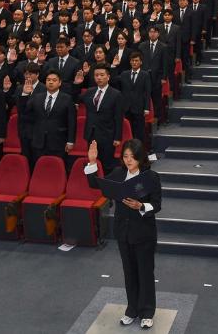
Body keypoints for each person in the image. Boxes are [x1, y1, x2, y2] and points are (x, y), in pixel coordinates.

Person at [84, 139, 161, 329]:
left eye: (133, 157)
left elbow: (157, 205)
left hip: (143, 232)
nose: (129, 161)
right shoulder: (119, 174)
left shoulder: (150, 177)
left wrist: (141, 205)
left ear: (141, 158)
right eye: (125, 157)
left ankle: (147, 311)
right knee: (129, 272)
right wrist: (92, 162)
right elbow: (97, 185)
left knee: (145, 272)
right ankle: (132, 310)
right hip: (123, 232)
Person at [18, 70, 76, 165]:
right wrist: (24, 94)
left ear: (59, 82)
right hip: (38, 141)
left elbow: (71, 121)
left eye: (54, 80)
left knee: (57, 169)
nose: (51, 82)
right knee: (38, 169)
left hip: (58, 141)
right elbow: (23, 111)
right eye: (48, 80)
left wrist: (70, 141)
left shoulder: (67, 99)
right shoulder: (37, 97)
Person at [77, 63, 123, 172]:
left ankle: (106, 187)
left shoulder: (116, 94)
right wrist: (77, 84)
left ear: (108, 77)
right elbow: (75, 99)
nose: (99, 77)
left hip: (107, 135)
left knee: (106, 165)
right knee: (92, 163)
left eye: (102, 75)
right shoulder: (90, 92)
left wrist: (117, 137)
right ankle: (93, 187)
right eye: (96, 75)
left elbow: (118, 117)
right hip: (91, 134)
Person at [119, 52, 151, 143]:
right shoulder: (124, 74)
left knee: (139, 132)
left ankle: (139, 151)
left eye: (136, 61)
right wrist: (113, 66)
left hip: (139, 107)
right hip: (126, 107)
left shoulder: (145, 75)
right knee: (128, 131)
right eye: (132, 61)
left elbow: (147, 92)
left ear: (141, 62)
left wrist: (146, 108)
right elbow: (115, 83)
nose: (134, 62)